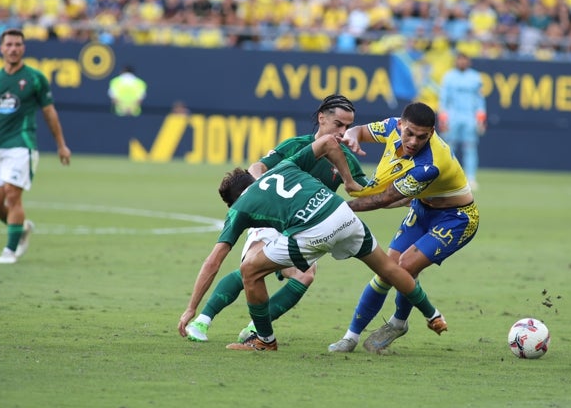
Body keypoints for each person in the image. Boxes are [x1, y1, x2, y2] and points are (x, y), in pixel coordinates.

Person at [178, 134, 448, 351]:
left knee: (250, 269)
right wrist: (349, 180)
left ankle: (264, 340)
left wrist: (191, 307)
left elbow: (214, 261)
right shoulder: (284, 166)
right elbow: (330, 143)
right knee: (388, 269)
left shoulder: (239, 208)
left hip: (315, 230)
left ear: (233, 199)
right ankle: (432, 314)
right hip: (343, 213)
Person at [183, 95, 368, 342]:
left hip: (304, 228)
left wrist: (406, 193)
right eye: (339, 124)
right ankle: (202, 321)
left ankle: (256, 328)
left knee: (305, 275)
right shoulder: (296, 146)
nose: (343, 132)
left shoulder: (346, 159)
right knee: (251, 267)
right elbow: (257, 166)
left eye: (348, 126)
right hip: (271, 219)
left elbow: (367, 192)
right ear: (322, 119)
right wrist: (263, 190)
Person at [328, 101, 479, 353]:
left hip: (456, 218)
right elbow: (360, 131)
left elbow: (386, 199)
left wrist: (342, 208)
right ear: (400, 124)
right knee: (386, 269)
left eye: (421, 137)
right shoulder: (391, 126)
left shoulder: (429, 165)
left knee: (404, 266)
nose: (412, 141)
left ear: (431, 133)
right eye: (409, 133)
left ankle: (398, 322)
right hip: (422, 208)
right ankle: (350, 337)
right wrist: (352, 135)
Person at [0, 28, 72, 264]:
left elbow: (50, 113)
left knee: (12, 195)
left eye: (18, 44)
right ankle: (22, 227)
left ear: (24, 48)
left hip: (23, 144)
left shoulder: (35, 78)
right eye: (9, 44)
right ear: (1, 48)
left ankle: (10, 251)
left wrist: (61, 145)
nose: (13, 49)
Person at [438, 52, 486, 190]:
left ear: (468, 62)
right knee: (448, 147)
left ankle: (471, 178)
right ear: (456, 61)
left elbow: (479, 100)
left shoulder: (475, 77)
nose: (462, 63)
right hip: (453, 117)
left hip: (469, 117)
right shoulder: (449, 77)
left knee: (470, 147)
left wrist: (481, 118)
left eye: (464, 60)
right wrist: (443, 117)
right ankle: (447, 176)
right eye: (460, 60)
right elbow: (444, 100)